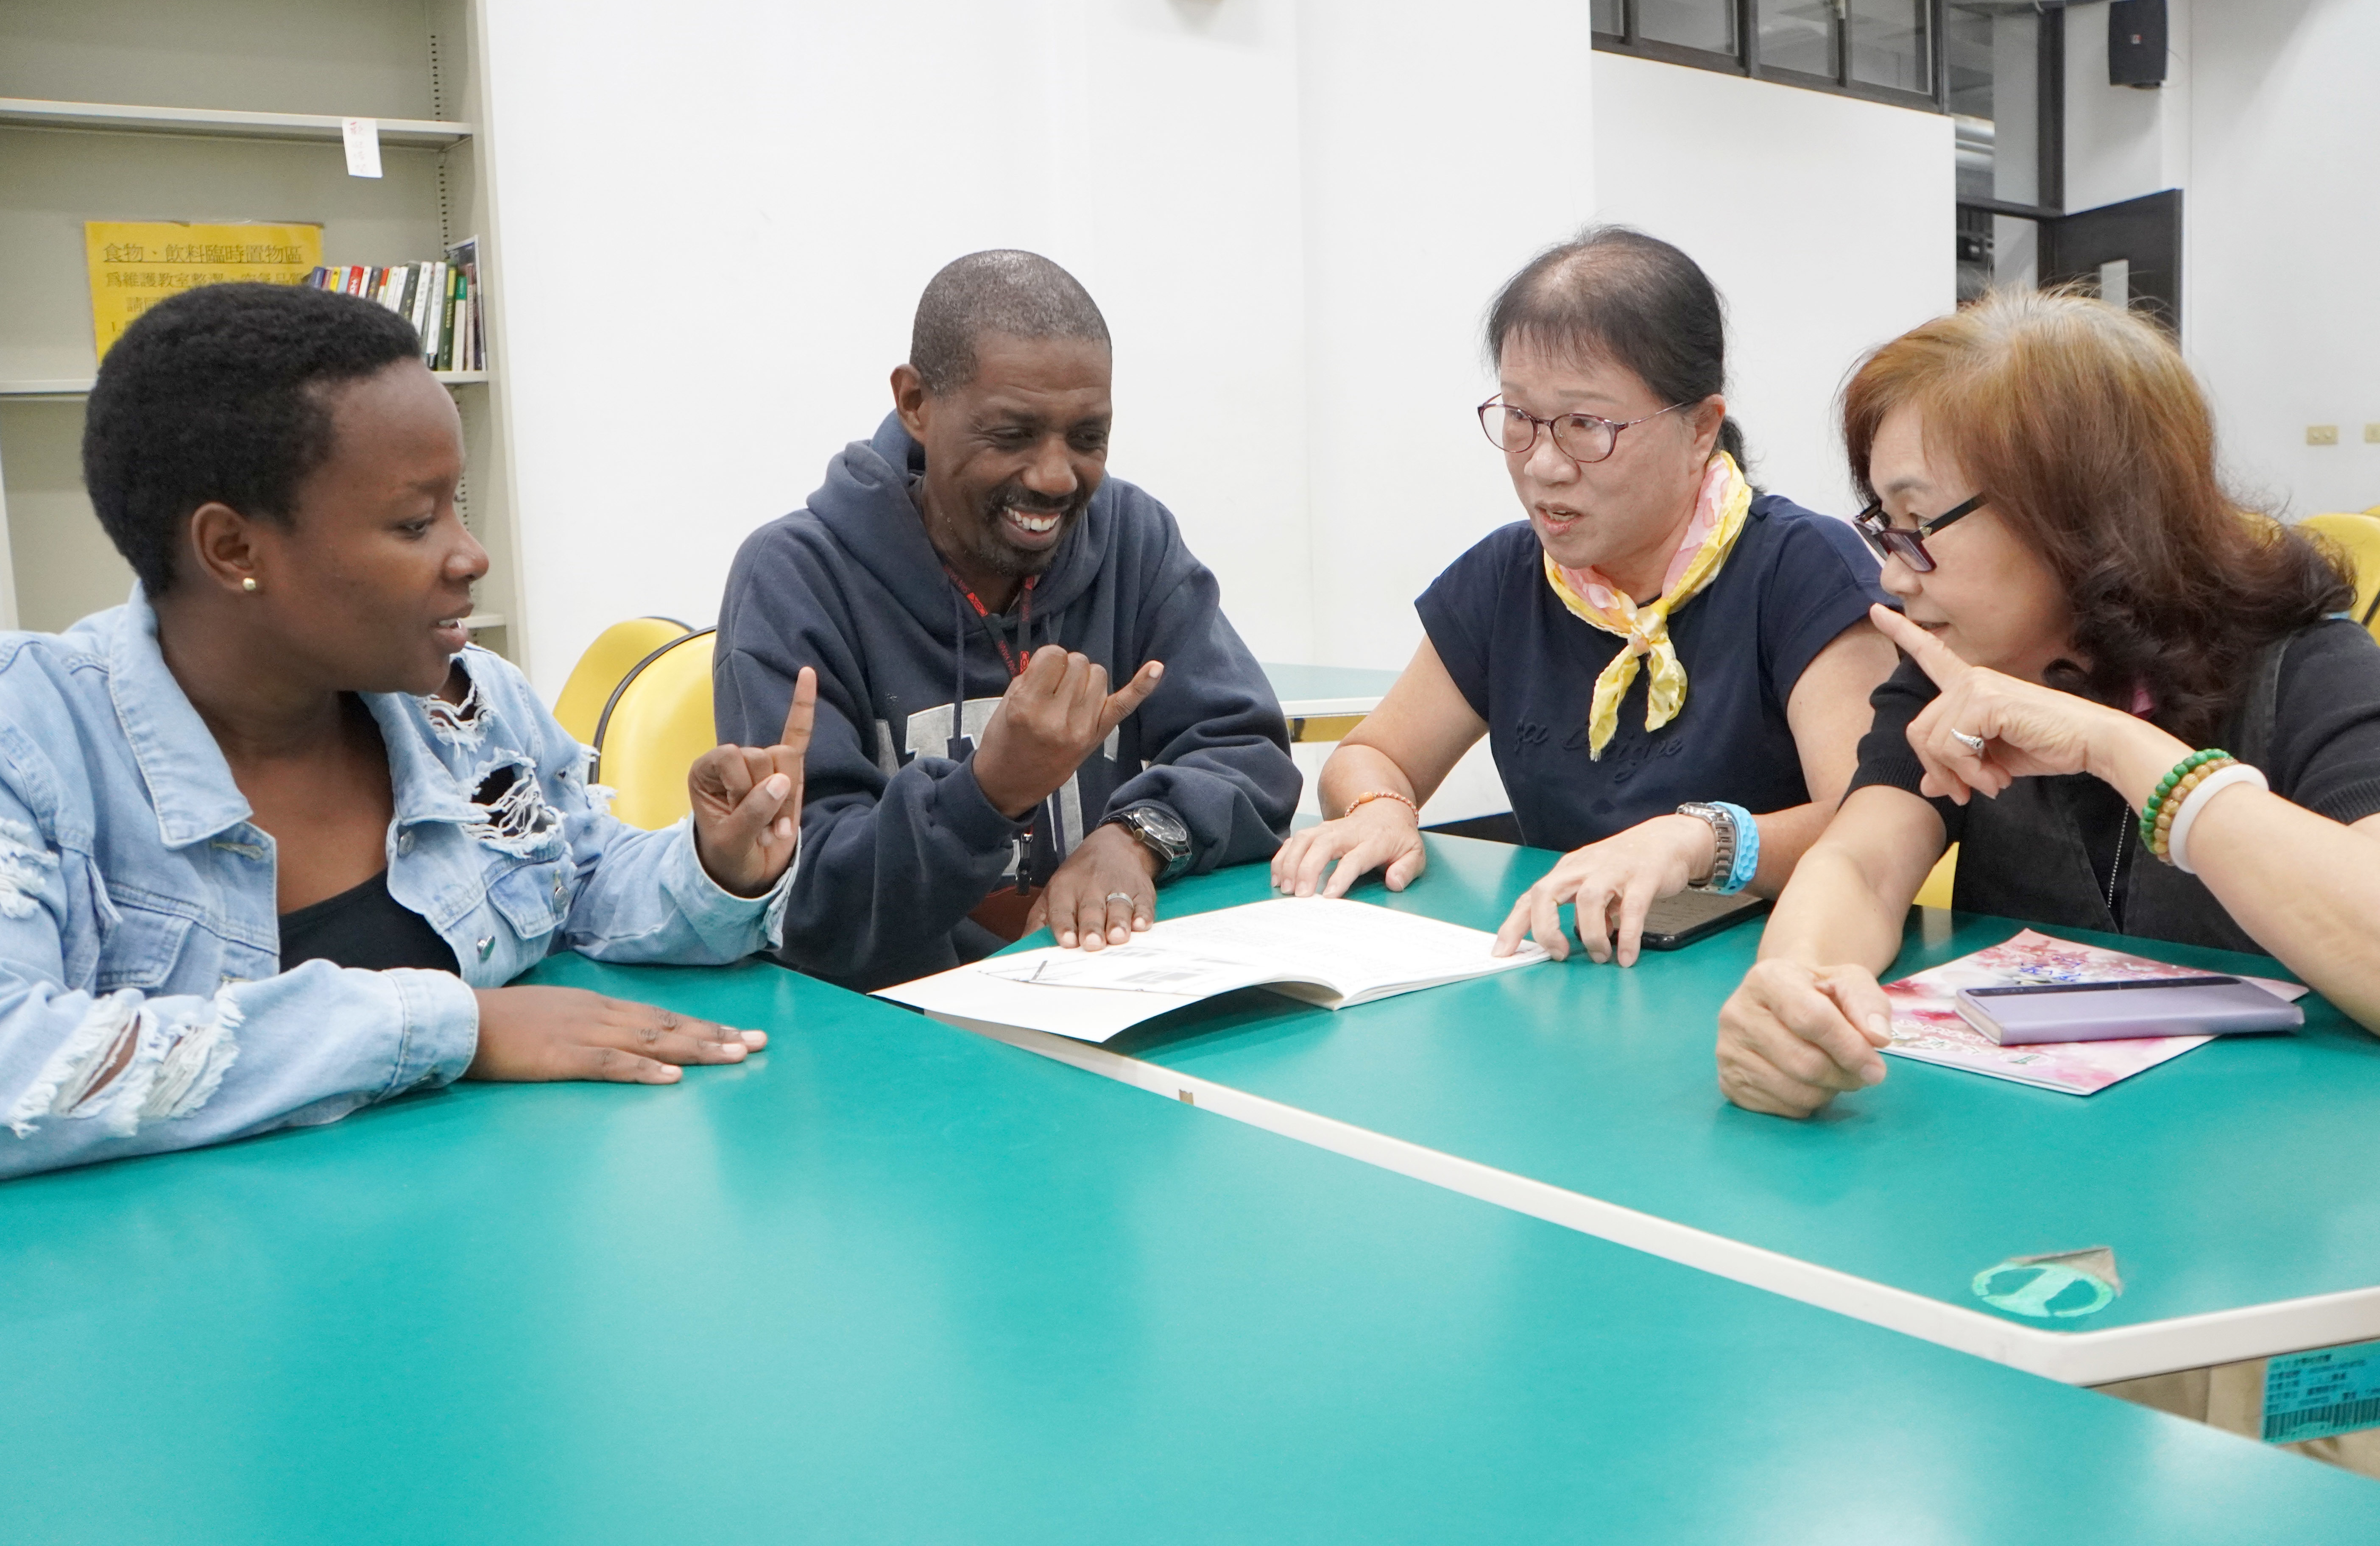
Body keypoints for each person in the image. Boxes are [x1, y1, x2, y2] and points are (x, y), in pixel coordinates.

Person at [0, 284, 815, 1180]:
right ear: (234, 550)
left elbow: (580, 877)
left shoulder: (467, 706)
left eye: (457, 506)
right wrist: (450, 1026)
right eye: (416, 521)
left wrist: (716, 865)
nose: (471, 554)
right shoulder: (32, 738)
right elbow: (18, 1069)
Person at [1715, 289, 2380, 1121]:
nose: (1891, 574)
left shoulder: (2307, 665)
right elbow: (1860, 861)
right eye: (1883, 524)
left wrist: (2115, 747)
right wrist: (1794, 988)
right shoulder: (1944, 669)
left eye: (1917, 521)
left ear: (2081, 514)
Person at [1272, 228, 1897, 964]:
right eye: (1518, 417)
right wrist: (1381, 808)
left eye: (1584, 426)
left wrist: (1703, 839)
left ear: (1700, 427)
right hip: (1569, 965)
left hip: (1773, 972)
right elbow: (1375, 752)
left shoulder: (1801, 569)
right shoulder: (1508, 578)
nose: (1541, 465)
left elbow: (1872, 823)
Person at [713, 249, 1299, 991]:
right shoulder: (796, 577)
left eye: (1088, 438)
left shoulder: (1132, 538)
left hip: (1100, 1000)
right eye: (1012, 434)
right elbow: (808, 898)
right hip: (888, 1033)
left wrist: (1134, 837)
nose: (1056, 476)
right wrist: (987, 793)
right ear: (915, 403)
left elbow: (1249, 750)